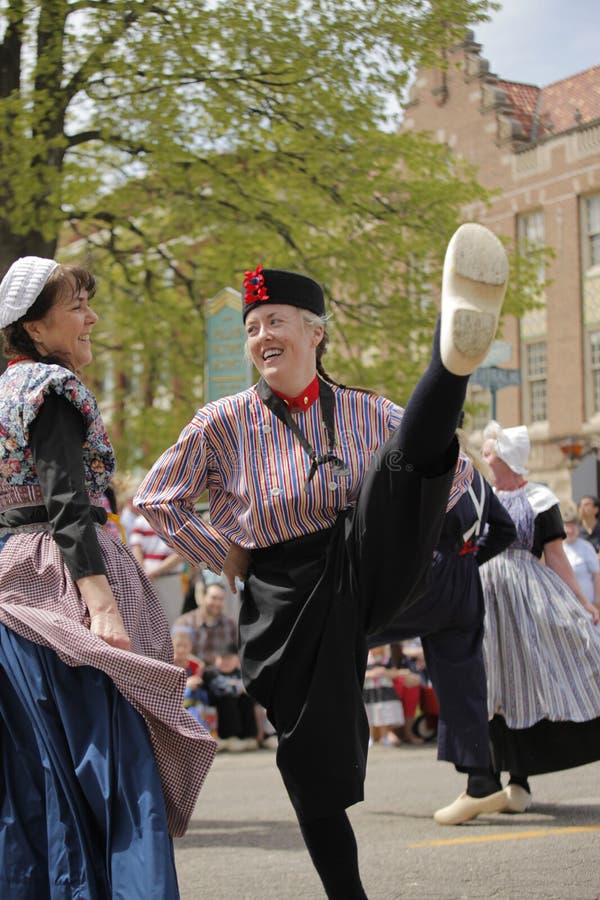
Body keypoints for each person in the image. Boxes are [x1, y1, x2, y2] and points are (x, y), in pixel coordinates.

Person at [135, 223, 508, 898]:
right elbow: (156, 499)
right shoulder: (218, 422)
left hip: (364, 559)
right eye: (251, 328)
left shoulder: (365, 409)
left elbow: (450, 479)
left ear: (315, 332)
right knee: (306, 759)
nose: (259, 337)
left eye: (274, 321)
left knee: (400, 460)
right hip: (283, 591)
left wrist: (412, 530)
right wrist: (225, 556)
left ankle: (449, 360)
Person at [0, 257, 216, 898]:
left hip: (13, 594)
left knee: (38, 774)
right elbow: (66, 499)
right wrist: (104, 608)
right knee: (111, 766)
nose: (91, 317)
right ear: (34, 329)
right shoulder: (47, 387)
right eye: (77, 307)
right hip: (60, 588)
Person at [438, 421, 600, 826]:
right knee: (492, 681)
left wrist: (584, 604)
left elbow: (556, 557)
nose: (486, 456)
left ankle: (516, 780)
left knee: (523, 681)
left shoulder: (540, 497)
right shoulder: (485, 494)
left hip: (526, 594)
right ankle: (499, 781)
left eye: (491, 451)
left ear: (506, 456)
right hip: (485, 589)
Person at [369, 447, 517, 825]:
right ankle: (482, 780)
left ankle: (335, 746)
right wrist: (466, 562)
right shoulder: (477, 481)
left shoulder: (426, 469)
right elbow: (505, 530)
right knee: (463, 682)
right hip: (465, 581)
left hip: (429, 577)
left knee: (350, 631)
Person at [130, 512, 187, 626]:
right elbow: (136, 548)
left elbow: (182, 553)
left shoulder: (179, 520)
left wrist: (149, 573)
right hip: (149, 579)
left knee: (171, 623)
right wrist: (147, 573)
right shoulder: (141, 520)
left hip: (166, 578)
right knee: (146, 625)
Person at [203, 642, 259, 751]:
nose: (225, 661)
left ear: (237, 660)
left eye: (229, 658)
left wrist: (238, 687)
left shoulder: (240, 673)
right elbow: (222, 689)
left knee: (247, 699)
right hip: (217, 713)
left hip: (238, 710)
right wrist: (238, 687)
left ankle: (248, 736)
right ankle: (230, 737)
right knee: (228, 698)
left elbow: (250, 689)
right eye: (222, 658)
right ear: (216, 659)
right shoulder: (211, 672)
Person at [174, 578, 238, 664]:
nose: (217, 603)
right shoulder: (185, 622)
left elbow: (238, 653)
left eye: (221, 599)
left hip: (221, 674)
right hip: (193, 673)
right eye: (214, 598)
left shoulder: (230, 624)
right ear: (203, 597)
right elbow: (175, 652)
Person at [563, 505, 600, 609]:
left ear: (578, 527)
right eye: (567, 526)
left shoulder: (586, 547)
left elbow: (596, 576)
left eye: (573, 526)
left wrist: (597, 602)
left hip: (587, 606)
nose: (570, 530)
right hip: (565, 607)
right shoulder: (557, 548)